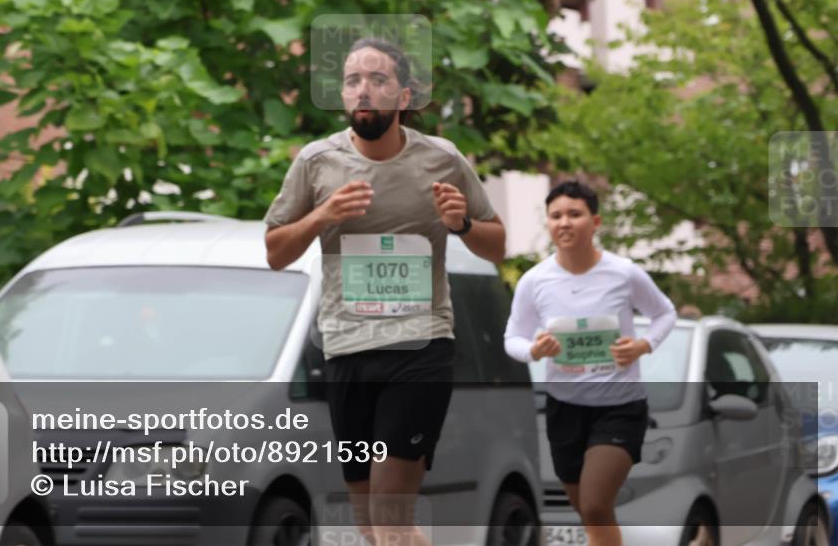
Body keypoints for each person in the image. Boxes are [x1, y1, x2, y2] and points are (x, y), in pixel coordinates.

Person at [264, 37, 506, 545]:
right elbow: (276, 252)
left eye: (377, 80)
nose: (363, 90)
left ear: (404, 95)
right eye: (353, 80)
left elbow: (498, 245)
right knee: (372, 524)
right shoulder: (316, 162)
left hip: (420, 347)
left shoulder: (442, 159)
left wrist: (461, 224)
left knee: (389, 511)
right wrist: (322, 215)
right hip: (347, 348)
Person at [504, 181, 676, 546]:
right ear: (548, 223)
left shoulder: (624, 273)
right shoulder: (535, 281)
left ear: (595, 222)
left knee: (596, 505)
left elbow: (664, 313)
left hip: (619, 407)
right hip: (564, 408)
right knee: (586, 509)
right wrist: (535, 351)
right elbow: (513, 339)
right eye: (555, 216)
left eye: (574, 214)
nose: (564, 223)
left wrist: (643, 345)